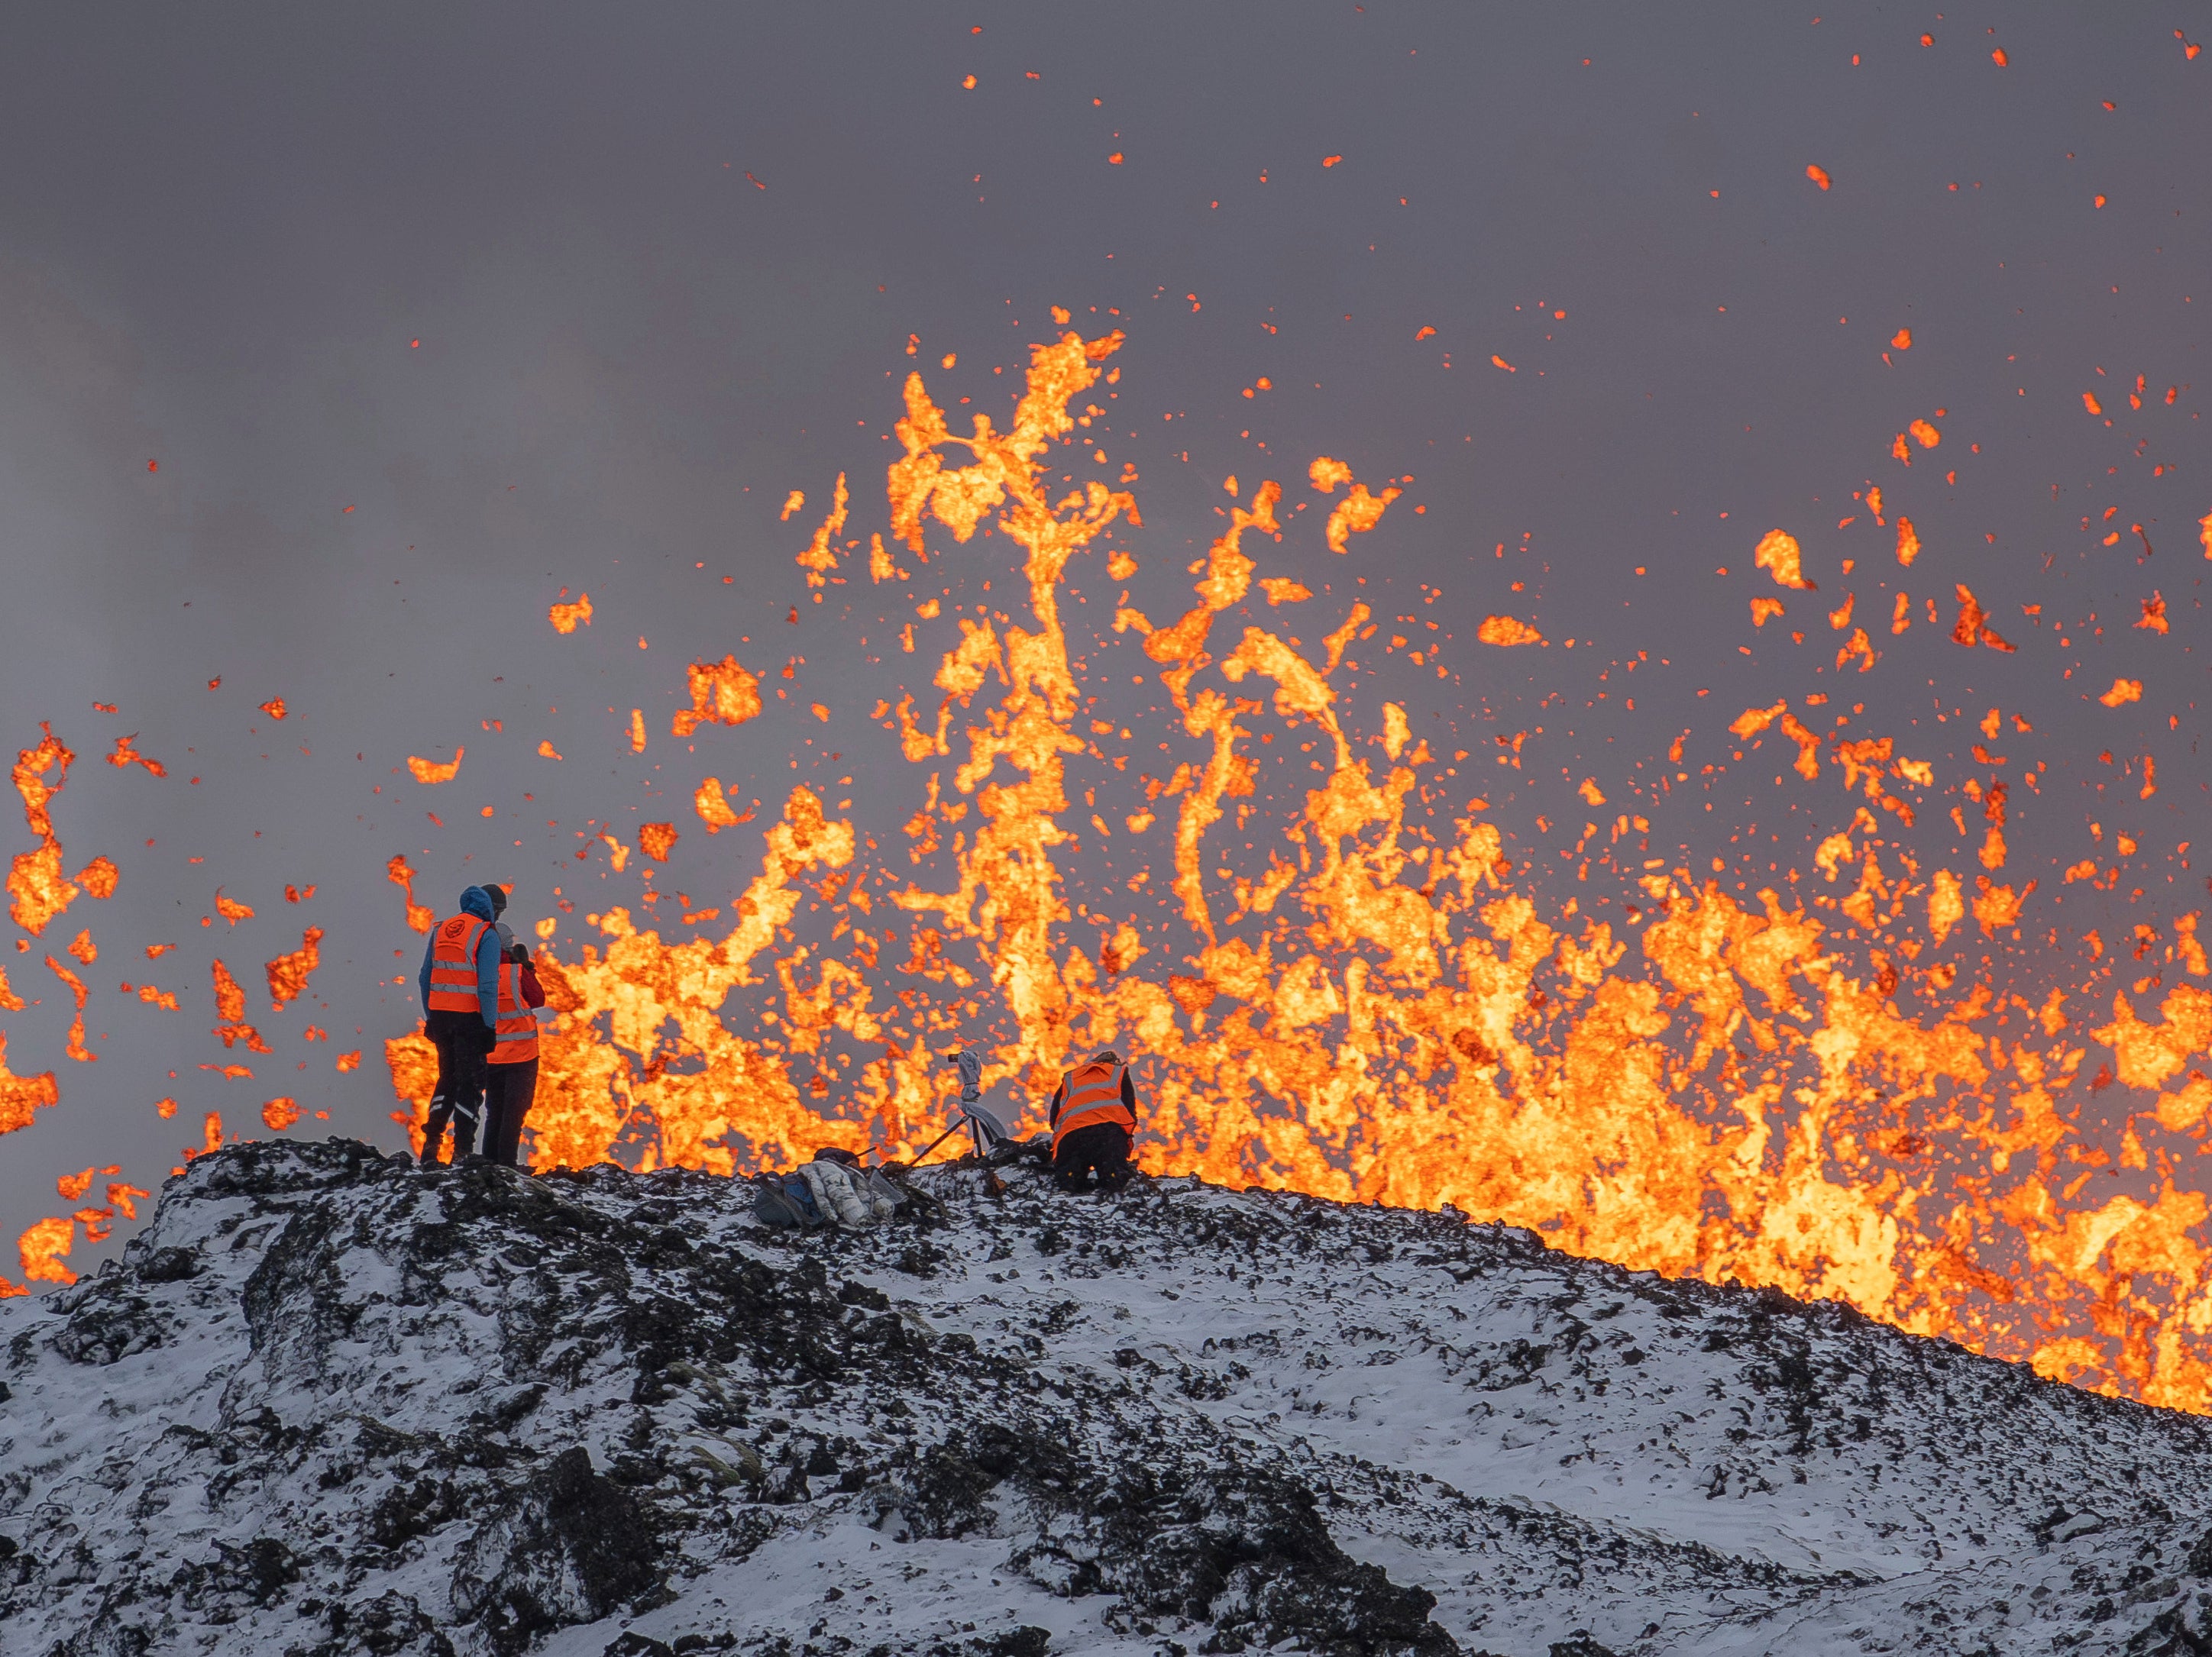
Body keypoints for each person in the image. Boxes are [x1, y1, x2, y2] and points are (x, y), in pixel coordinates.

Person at [416, 884, 507, 1163]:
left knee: (447, 1079)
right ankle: (463, 1151)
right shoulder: (485, 934)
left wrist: (431, 1017)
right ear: (492, 909)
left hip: (441, 1019)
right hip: (469, 1020)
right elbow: (488, 985)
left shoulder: (441, 930)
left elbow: (424, 977)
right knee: (470, 1083)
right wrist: (489, 1026)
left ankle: (431, 1147)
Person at [481, 939, 545, 1168]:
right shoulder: (516, 972)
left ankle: (489, 1164)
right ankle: (508, 1165)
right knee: (514, 1113)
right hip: (522, 1056)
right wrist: (528, 970)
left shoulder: (478, 972)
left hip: (492, 1056)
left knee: (494, 1111)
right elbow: (538, 999)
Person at [1048, 1048, 1138, 1193]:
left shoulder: (1072, 1077)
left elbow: (1054, 1116)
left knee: (1069, 1185)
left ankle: (1073, 1183)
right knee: (1115, 1183)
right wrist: (1125, 1137)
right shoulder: (1118, 1072)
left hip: (1072, 1137)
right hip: (1107, 1135)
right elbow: (1129, 1108)